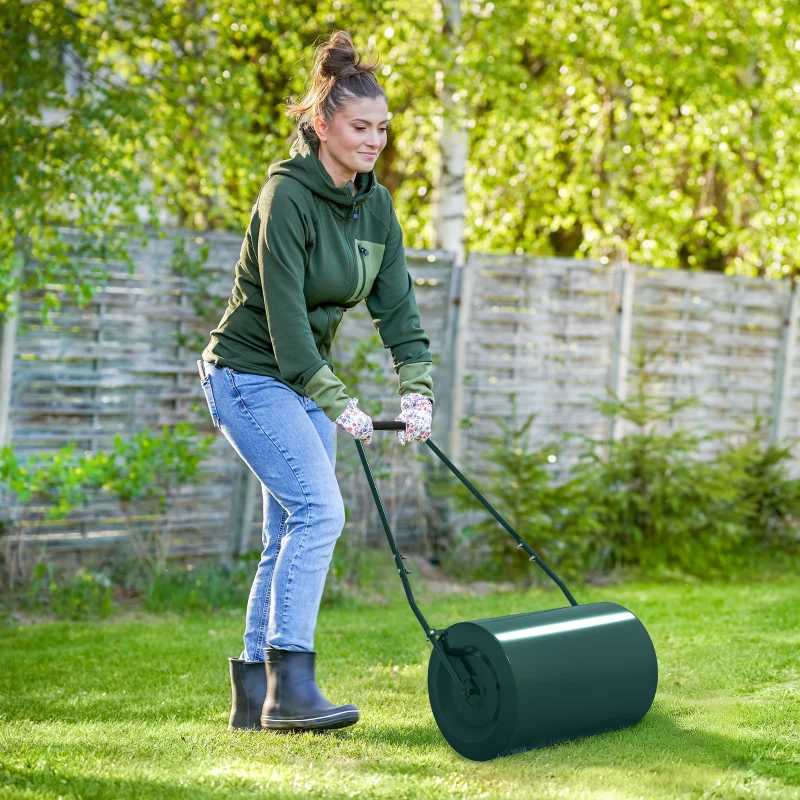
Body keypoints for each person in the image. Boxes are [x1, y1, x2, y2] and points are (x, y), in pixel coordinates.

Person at [196, 30, 435, 733]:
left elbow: (399, 308)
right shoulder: (286, 197)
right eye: (361, 127)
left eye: (383, 129)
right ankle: (291, 688)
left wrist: (415, 388)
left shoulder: (375, 207)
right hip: (246, 373)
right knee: (321, 514)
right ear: (321, 125)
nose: (375, 141)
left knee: (290, 528)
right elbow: (287, 328)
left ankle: (254, 698)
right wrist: (340, 404)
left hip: (298, 382)